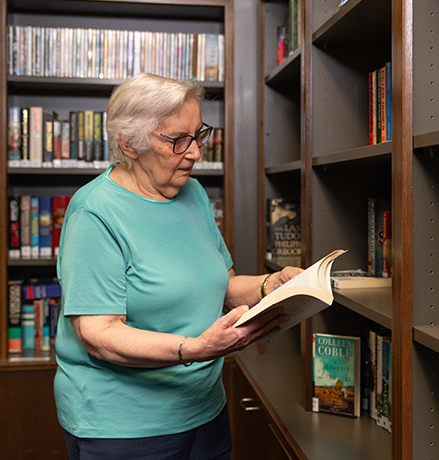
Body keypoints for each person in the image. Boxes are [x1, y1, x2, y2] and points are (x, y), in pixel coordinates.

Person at [54, 73, 302, 460]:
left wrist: (276, 284)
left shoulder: (193, 193)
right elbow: (98, 334)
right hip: (125, 428)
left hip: (204, 410)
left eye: (198, 135)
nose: (196, 153)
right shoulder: (94, 212)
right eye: (178, 140)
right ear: (129, 144)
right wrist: (196, 349)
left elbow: (221, 285)